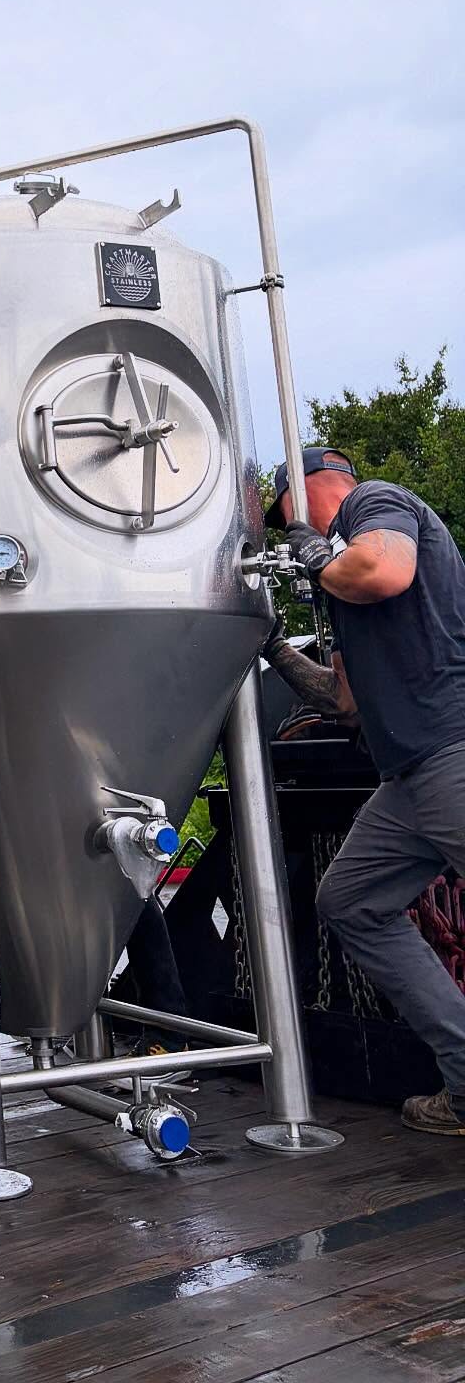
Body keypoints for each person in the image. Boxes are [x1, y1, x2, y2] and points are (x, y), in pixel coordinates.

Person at [262, 445, 465, 1135]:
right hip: (407, 777)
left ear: (307, 492)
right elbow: (342, 697)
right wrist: (272, 646)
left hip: (455, 749)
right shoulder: (336, 583)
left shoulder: (374, 504)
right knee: (351, 902)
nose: (285, 537)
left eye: (281, 516)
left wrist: (318, 556)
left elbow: (384, 570)